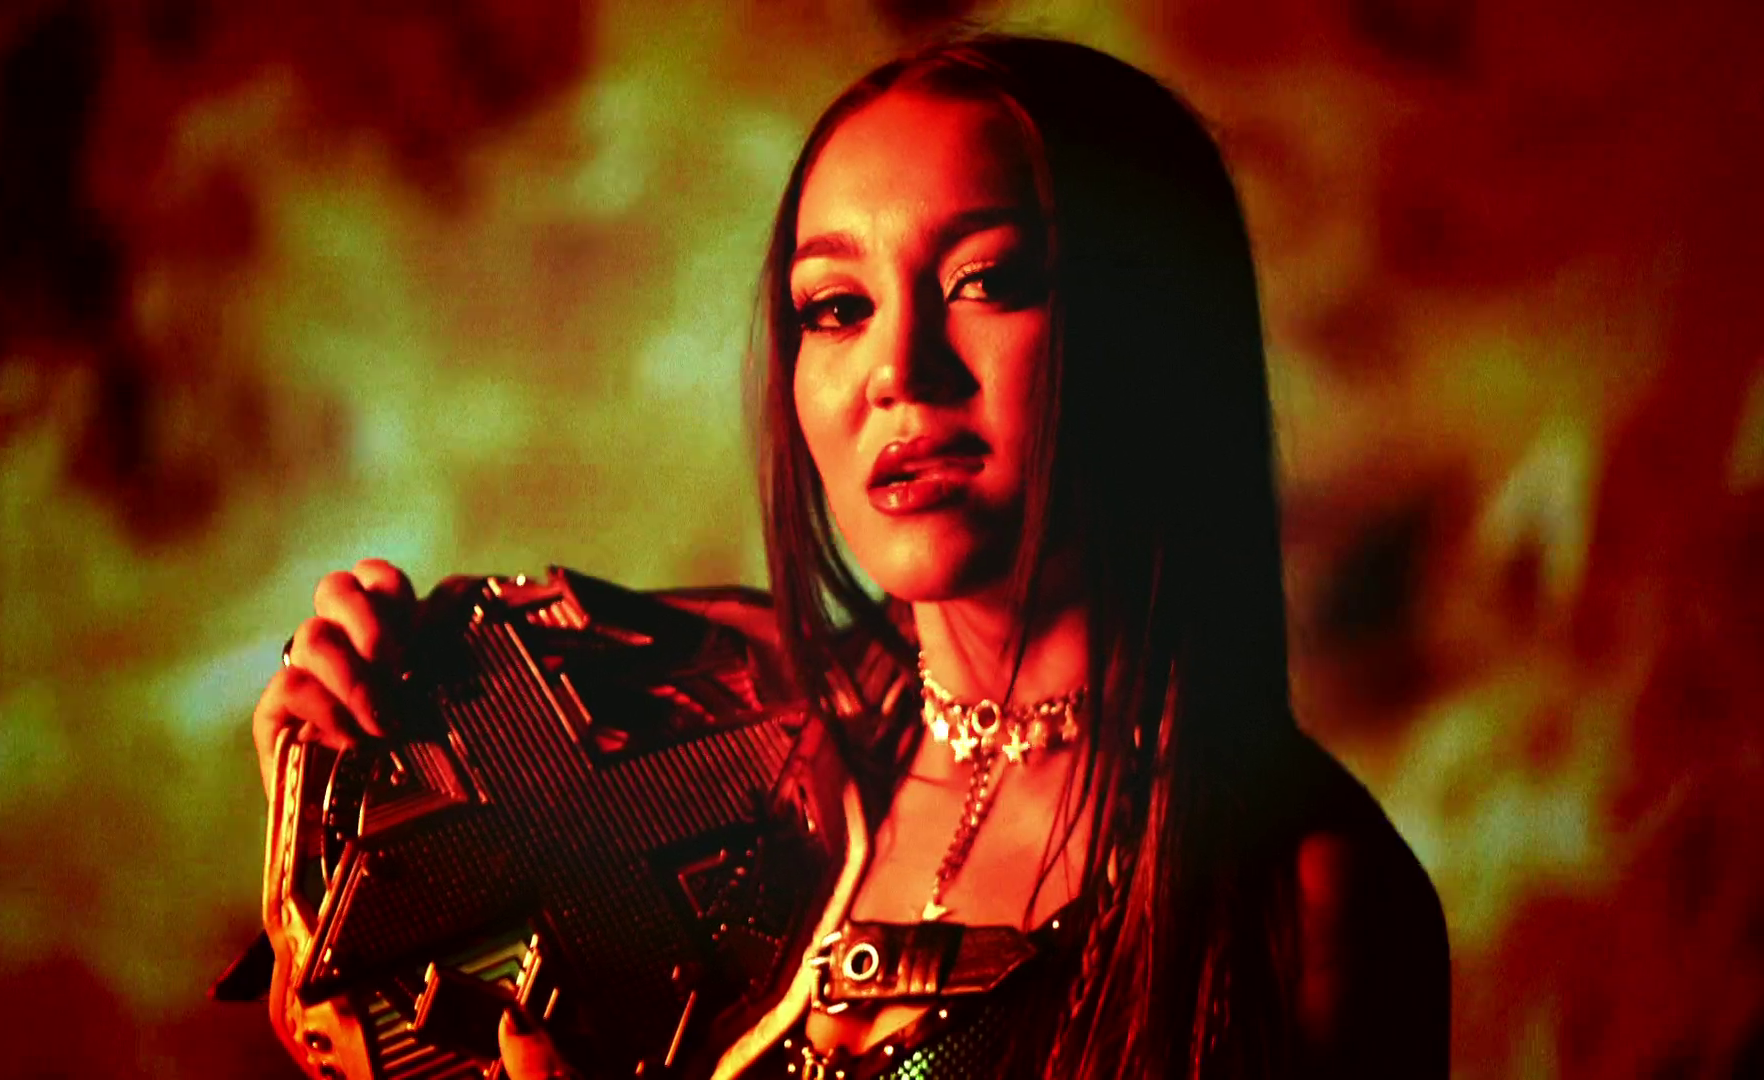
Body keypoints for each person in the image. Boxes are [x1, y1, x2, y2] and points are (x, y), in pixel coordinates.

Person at [250, 33, 1450, 1079]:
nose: (898, 370)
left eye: (986, 281)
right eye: (836, 307)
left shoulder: (1301, 906)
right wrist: (346, 800)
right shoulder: (711, 735)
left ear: (1153, 328)